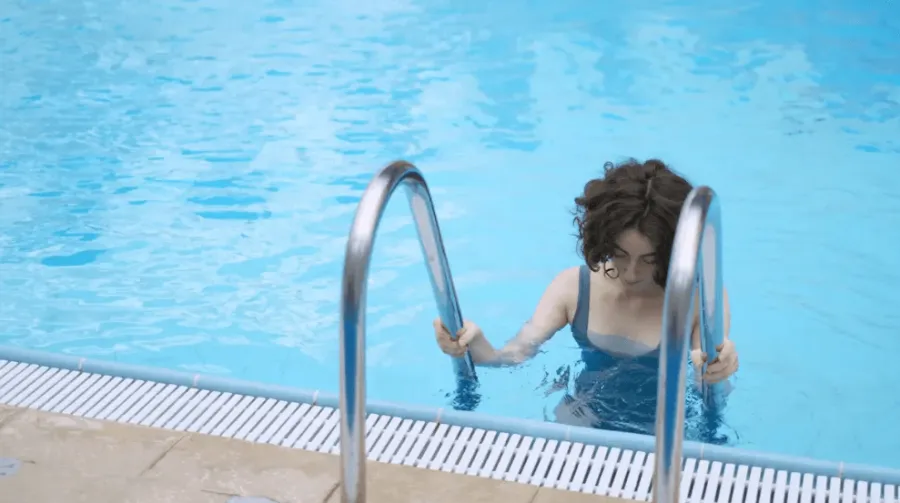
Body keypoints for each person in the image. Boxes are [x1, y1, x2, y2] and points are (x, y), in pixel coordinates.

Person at [433, 158, 739, 435]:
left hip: (665, 432)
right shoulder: (573, 288)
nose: (631, 273)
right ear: (603, 241)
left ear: (671, 252)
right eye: (620, 255)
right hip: (583, 419)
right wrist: (475, 346)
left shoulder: (699, 302)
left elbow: (711, 392)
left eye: (648, 260)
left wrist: (717, 371)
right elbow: (516, 354)